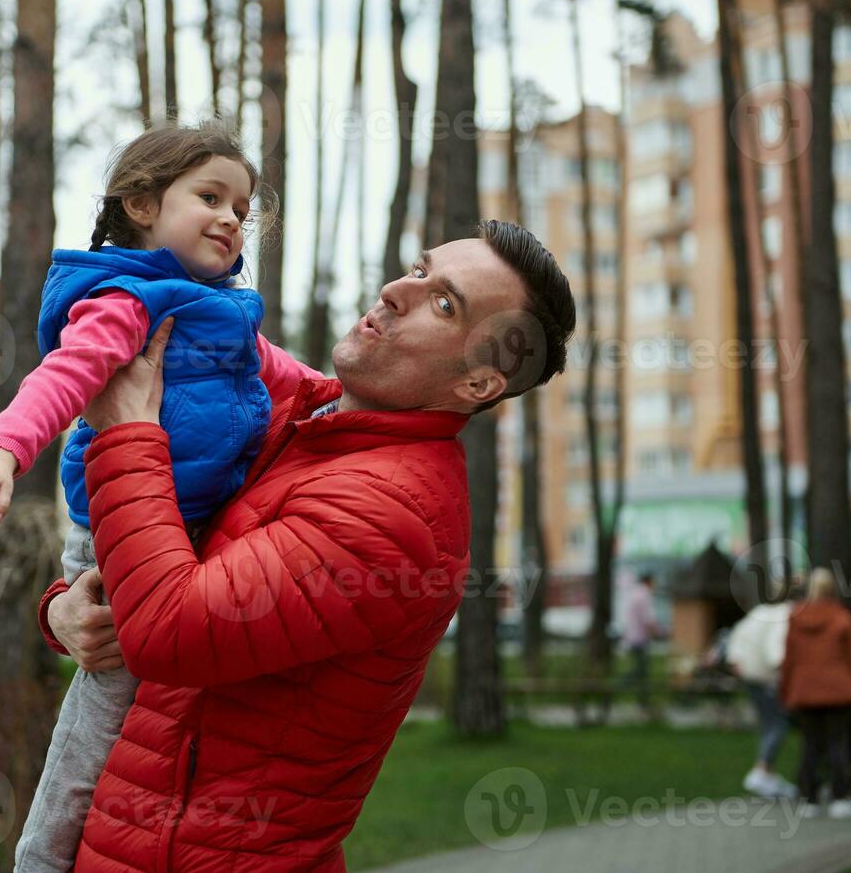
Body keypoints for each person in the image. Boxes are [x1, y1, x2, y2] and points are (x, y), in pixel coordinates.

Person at [40, 220, 576, 870]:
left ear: (478, 384)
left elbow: (169, 627)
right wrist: (67, 609)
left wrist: (129, 433)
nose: (394, 292)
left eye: (443, 304)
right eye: (416, 269)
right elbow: (161, 555)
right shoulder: (299, 421)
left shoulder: (393, 519)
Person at [0, 121, 307, 872]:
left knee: (147, 717)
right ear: (141, 204)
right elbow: (63, 376)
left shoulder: (221, 308)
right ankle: (39, 860)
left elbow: (289, 379)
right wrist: (5, 453)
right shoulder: (126, 302)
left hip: (185, 528)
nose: (233, 219)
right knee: (100, 719)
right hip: (118, 535)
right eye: (210, 196)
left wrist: (351, 404)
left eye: (242, 206)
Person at [779, 568, 851, 819]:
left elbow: (789, 659)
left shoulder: (795, 618)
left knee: (809, 744)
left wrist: (786, 691)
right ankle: (840, 797)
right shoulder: (843, 618)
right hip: (839, 691)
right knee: (838, 743)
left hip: (804, 690)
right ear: (833, 590)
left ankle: (808, 799)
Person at [727, 582, 798, 798]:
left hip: (750, 675)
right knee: (778, 724)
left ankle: (767, 772)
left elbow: (737, 637)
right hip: (767, 678)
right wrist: (782, 670)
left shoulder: (758, 613)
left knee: (768, 724)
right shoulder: (784, 615)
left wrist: (736, 661)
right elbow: (775, 651)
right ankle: (762, 769)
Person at [621, 572, 661, 708]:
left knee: (641, 670)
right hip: (639, 638)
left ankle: (643, 700)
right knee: (641, 671)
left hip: (632, 637)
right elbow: (648, 619)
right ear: (648, 582)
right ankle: (618, 687)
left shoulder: (635, 593)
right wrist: (658, 633)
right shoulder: (644, 595)